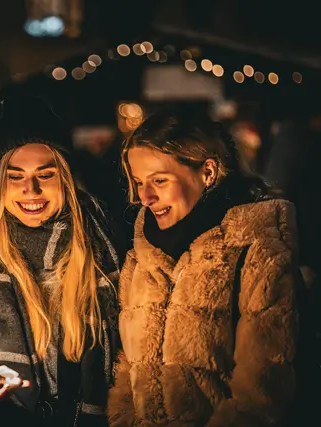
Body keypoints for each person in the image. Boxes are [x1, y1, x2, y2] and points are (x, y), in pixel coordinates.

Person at [0, 96, 121, 426]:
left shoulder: (101, 245)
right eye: (15, 176)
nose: (30, 190)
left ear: (65, 177)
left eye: (45, 175)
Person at [107, 106, 300, 426]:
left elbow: (261, 391)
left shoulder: (254, 252)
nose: (146, 196)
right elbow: (129, 368)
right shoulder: (143, 255)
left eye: (159, 180)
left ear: (207, 172)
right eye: (139, 181)